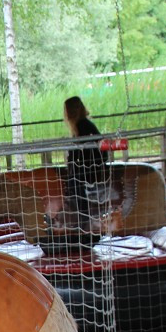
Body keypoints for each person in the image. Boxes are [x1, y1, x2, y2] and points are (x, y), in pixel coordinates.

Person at [61, 95, 110, 240]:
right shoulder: (83, 125)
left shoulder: (83, 125)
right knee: (72, 180)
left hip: (91, 166)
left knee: (73, 182)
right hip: (91, 164)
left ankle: (82, 220)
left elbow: (79, 152)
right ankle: (80, 219)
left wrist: (74, 166)